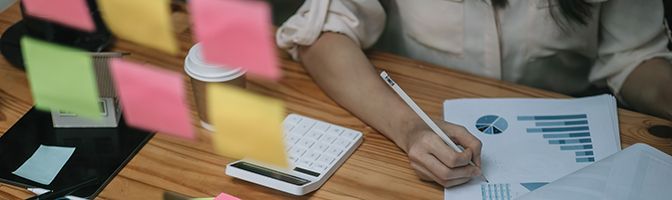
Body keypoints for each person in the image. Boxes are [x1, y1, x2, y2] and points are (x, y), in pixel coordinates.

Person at [275, 0, 672, 187]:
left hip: (571, 139)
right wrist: (410, 128)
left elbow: (635, 57)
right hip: (419, 133)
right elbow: (321, 36)